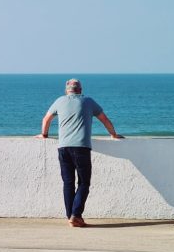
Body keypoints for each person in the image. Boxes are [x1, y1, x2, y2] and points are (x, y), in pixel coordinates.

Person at [37, 78, 123, 227]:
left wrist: (44, 134)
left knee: (68, 183)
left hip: (63, 148)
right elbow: (104, 119)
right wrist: (113, 134)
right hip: (81, 148)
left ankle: (71, 216)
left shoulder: (59, 101)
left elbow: (46, 119)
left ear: (67, 90)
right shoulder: (88, 101)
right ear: (80, 90)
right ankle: (76, 215)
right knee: (83, 182)